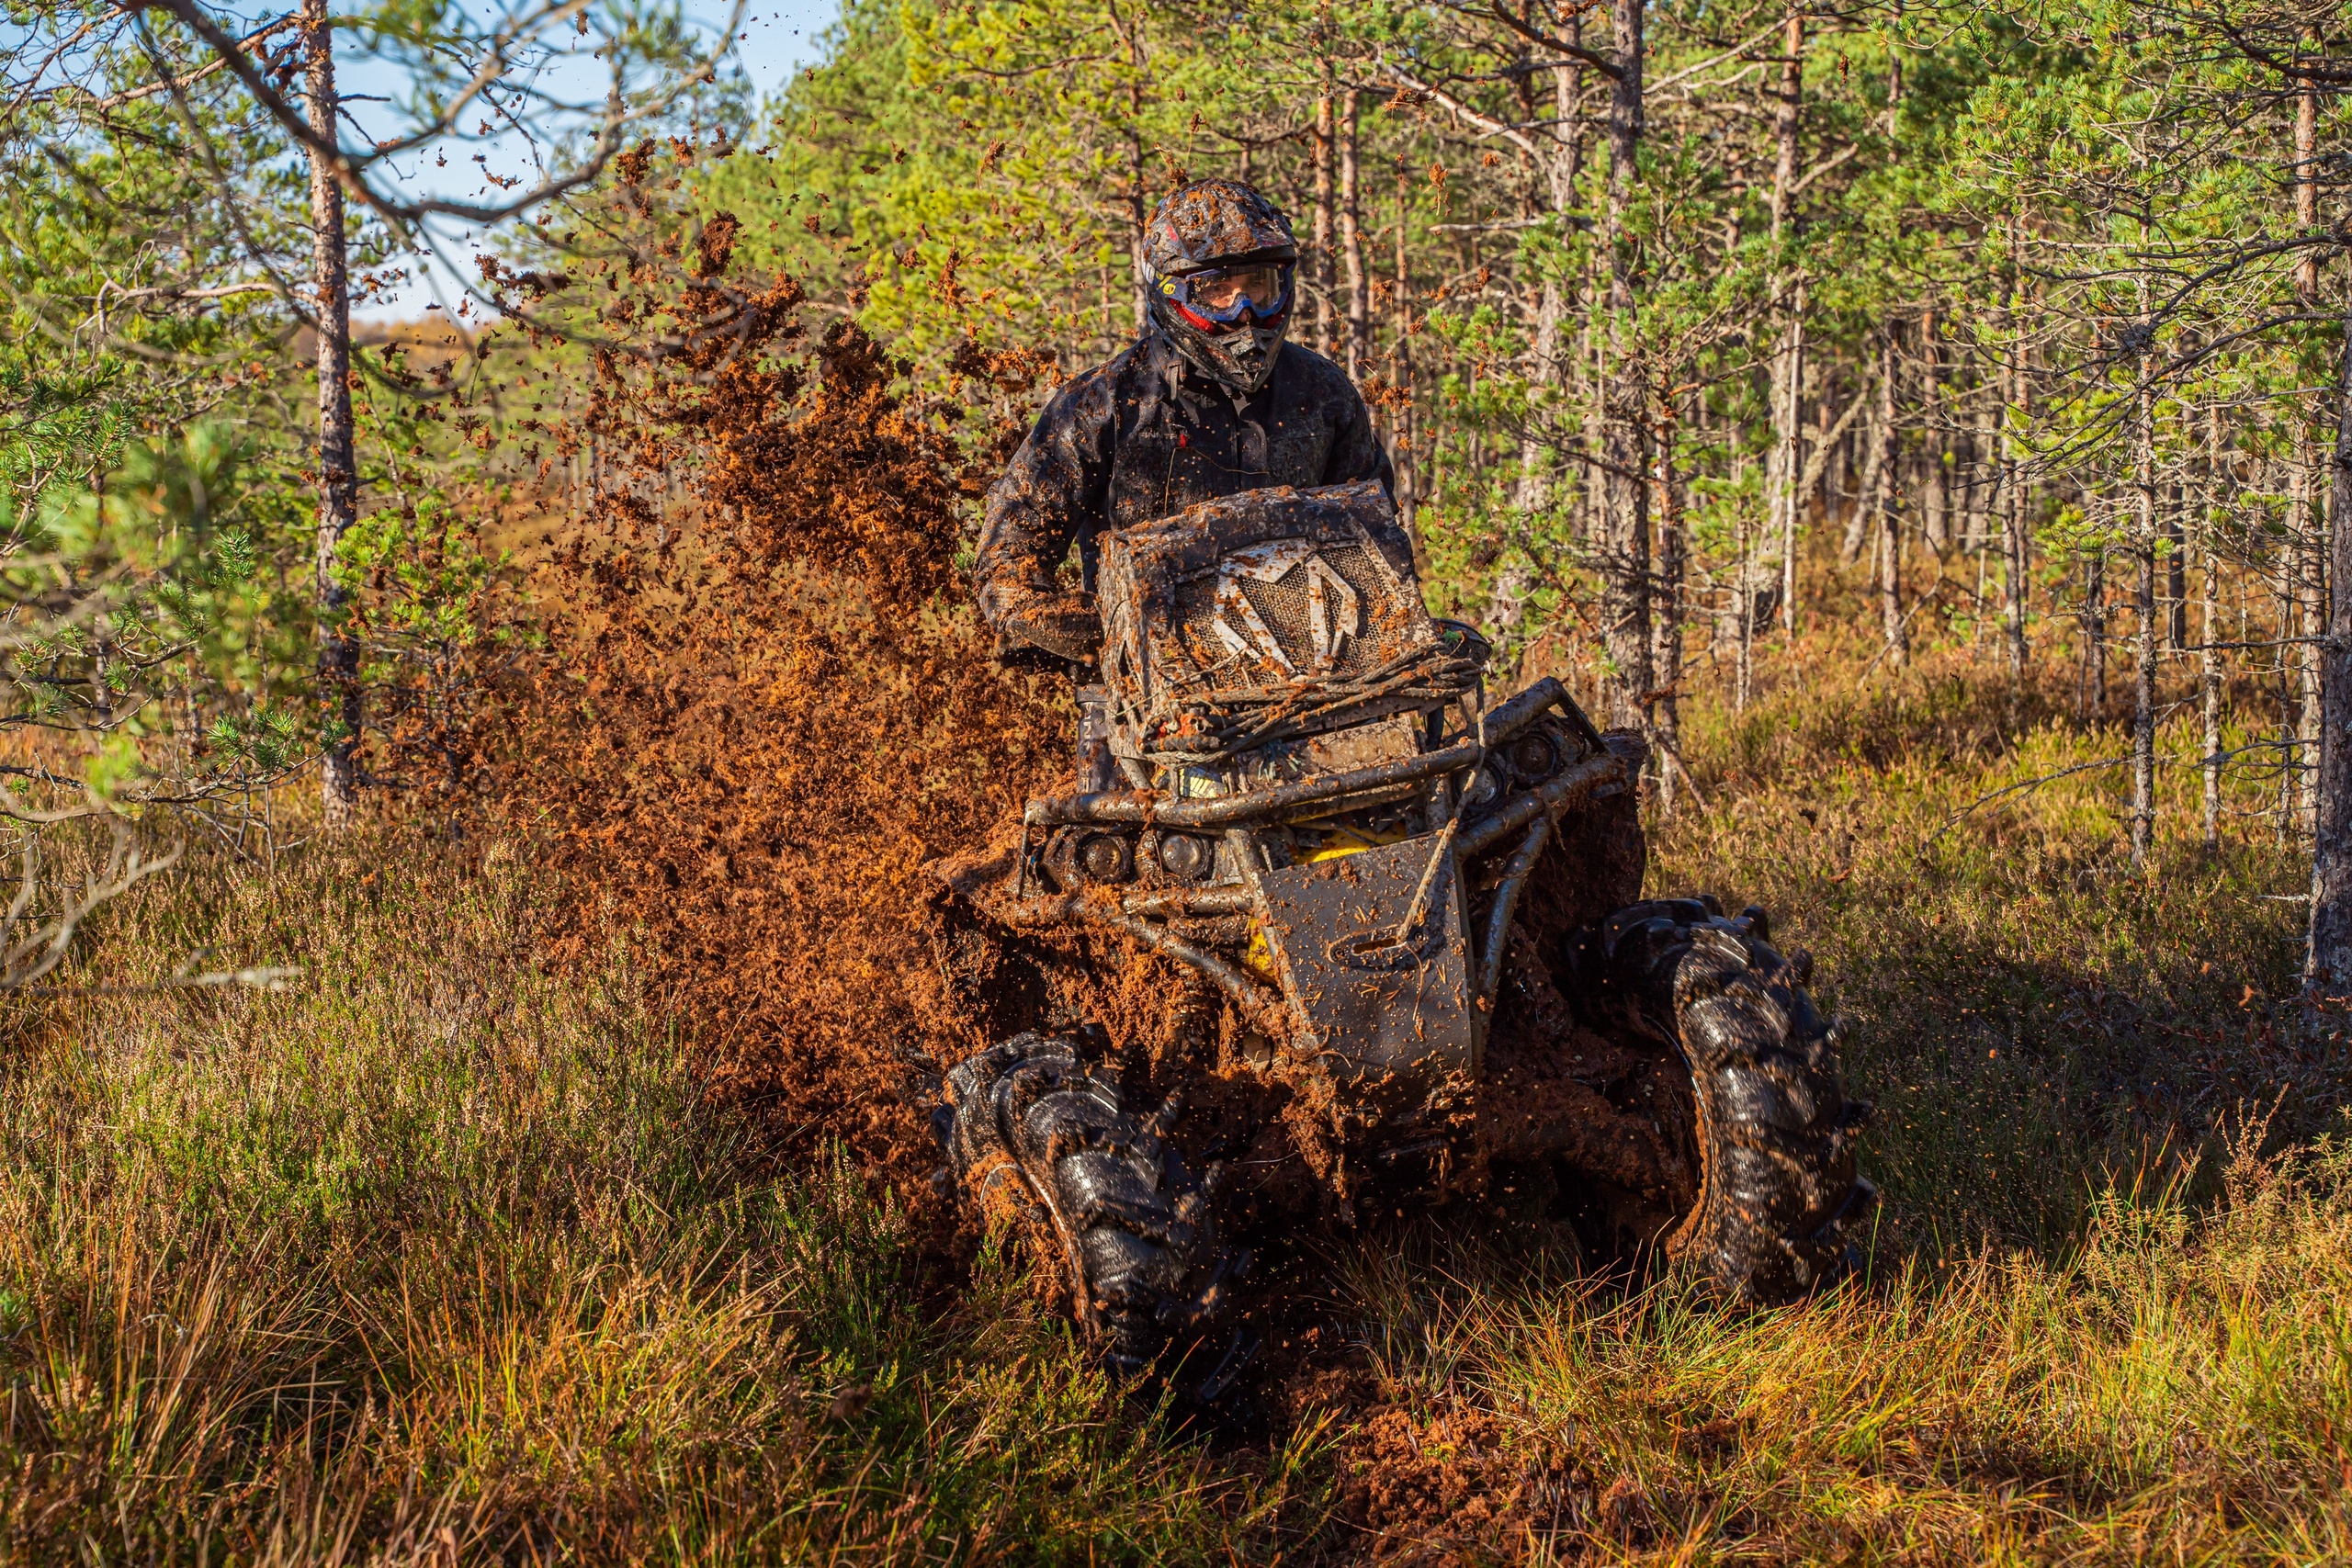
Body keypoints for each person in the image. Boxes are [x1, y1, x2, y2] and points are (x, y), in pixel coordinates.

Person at [976, 178, 1396, 670]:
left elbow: (1378, 539)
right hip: (1147, 679)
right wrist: (1098, 632)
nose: (1244, 313)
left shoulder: (1322, 393)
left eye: (1258, 287)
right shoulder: (1102, 405)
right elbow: (1008, 563)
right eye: (1219, 290)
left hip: (1310, 670)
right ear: (1171, 291)